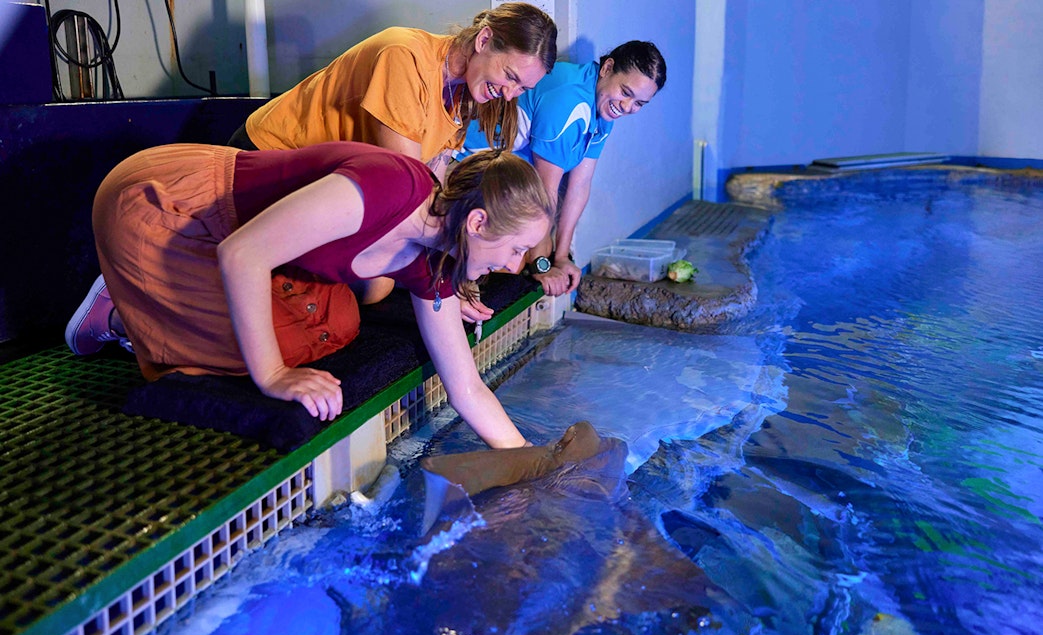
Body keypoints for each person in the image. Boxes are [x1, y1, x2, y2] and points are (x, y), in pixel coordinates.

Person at [65, 142, 553, 449]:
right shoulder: (388, 188)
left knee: (336, 328)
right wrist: (273, 375)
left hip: (245, 240)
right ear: (477, 222)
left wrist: (527, 464)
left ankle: (156, 302)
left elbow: (466, 387)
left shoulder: (436, 258)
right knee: (266, 351)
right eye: (516, 249)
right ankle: (120, 311)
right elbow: (242, 254)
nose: (515, 266)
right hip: (168, 204)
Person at [227, 2, 557, 317]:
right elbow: (411, 197)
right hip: (269, 158)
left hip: (333, 183)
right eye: (510, 76)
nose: (510, 94)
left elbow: (436, 189)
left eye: (522, 88)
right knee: (378, 283)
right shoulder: (404, 56)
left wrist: (459, 266)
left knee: (382, 281)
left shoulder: (462, 94)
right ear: (484, 40)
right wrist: (449, 278)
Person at [460, 41, 667, 297]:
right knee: (514, 265)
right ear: (608, 68)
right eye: (626, 92)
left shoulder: (604, 106)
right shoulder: (570, 100)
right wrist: (541, 264)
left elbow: (580, 185)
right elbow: (545, 191)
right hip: (466, 168)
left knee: (528, 251)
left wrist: (561, 257)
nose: (627, 107)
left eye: (639, 103)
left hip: (504, 174)